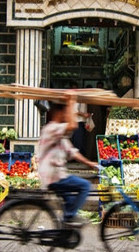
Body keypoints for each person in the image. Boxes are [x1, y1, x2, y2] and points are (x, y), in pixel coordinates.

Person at [38, 93, 98, 227]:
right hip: (53, 176)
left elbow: (72, 152)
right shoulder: (51, 128)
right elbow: (73, 126)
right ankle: (69, 218)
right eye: (64, 113)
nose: (66, 116)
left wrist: (89, 163)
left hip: (57, 174)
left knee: (70, 201)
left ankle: (65, 227)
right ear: (59, 113)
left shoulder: (59, 135)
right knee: (85, 186)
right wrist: (71, 101)